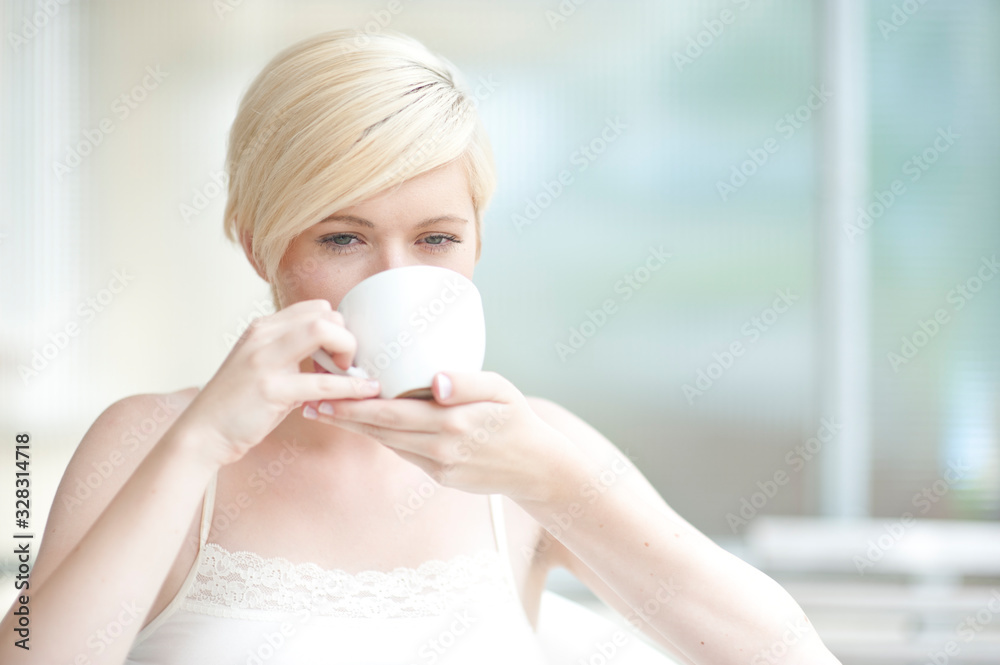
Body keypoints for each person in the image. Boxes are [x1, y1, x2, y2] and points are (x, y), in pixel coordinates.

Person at [1, 29, 842, 665]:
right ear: (260, 246)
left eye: (436, 238)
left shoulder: (533, 448)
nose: (395, 276)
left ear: (477, 242)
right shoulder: (153, 440)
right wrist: (200, 443)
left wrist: (556, 484)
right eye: (342, 238)